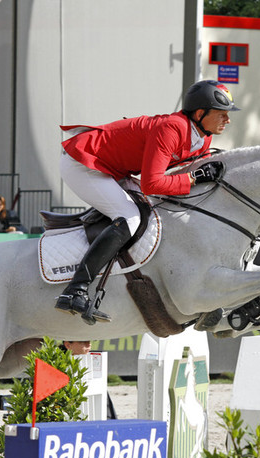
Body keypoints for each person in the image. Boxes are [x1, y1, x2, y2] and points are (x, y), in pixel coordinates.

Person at [55, 79, 238, 323]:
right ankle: (75, 291)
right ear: (200, 113)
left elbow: (182, 178)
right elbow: (152, 183)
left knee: (161, 212)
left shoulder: (203, 138)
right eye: (222, 114)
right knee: (130, 217)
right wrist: (193, 178)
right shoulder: (172, 128)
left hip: (114, 169)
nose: (228, 119)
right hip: (84, 161)